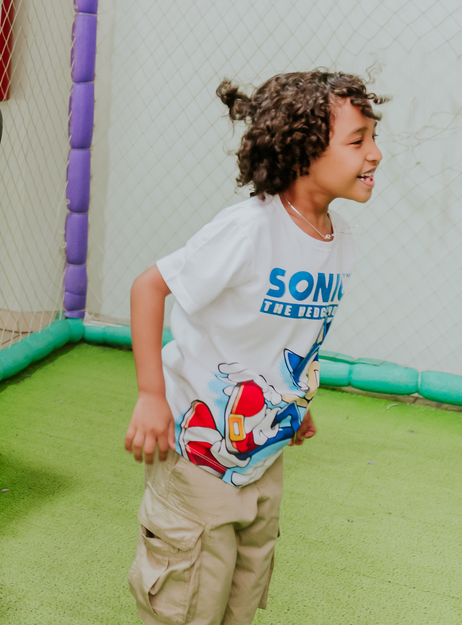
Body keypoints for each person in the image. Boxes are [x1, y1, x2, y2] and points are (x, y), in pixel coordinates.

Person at [123, 71, 385, 624]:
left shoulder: (340, 241)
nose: (376, 154)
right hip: (198, 459)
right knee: (190, 597)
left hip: (263, 456)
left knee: (242, 592)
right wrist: (151, 395)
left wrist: (296, 403)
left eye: (373, 137)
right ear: (304, 150)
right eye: (358, 140)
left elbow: (292, 336)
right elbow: (150, 286)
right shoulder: (248, 229)